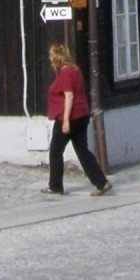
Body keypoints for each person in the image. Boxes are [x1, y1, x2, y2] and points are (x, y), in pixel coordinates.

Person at [43, 42, 111, 197]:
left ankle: (55, 186)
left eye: (51, 56)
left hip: (69, 117)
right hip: (82, 115)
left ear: (56, 57)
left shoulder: (66, 73)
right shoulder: (75, 70)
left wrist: (65, 120)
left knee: (55, 151)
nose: (50, 59)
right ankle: (101, 182)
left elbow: (69, 96)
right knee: (82, 150)